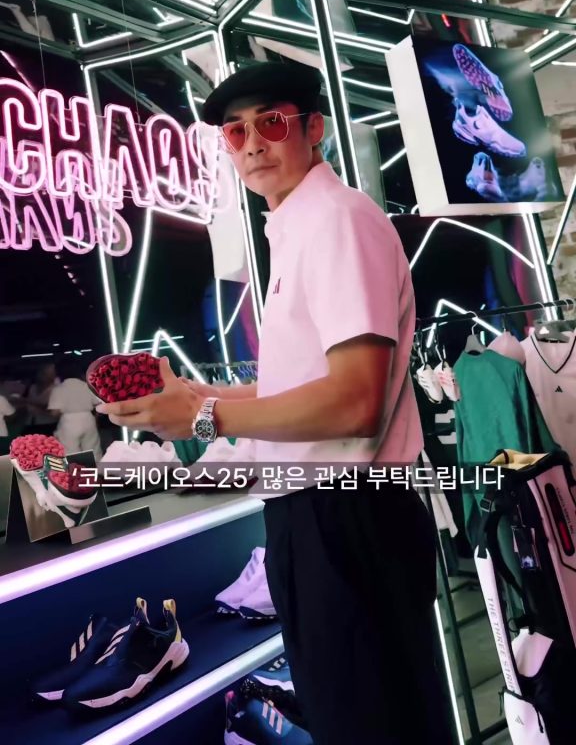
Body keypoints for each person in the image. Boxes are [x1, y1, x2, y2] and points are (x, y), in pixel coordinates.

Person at [96, 61, 454, 745]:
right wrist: (200, 393)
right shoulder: (299, 225)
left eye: (272, 123)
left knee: (373, 724)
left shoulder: (337, 220)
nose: (253, 143)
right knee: (360, 715)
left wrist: (205, 417)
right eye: (236, 132)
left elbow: (355, 402)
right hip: (324, 517)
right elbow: (305, 381)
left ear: (313, 129)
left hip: (347, 516)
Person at [48, 360, 102, 460]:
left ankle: (77, 470)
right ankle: (96, 469)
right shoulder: (87, 386)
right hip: (88, 418)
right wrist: (95, 419)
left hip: (68, 422)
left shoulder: (58, 389)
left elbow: (54, 412)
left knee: (71, 453)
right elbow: (99, 405)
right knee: (93, 450)